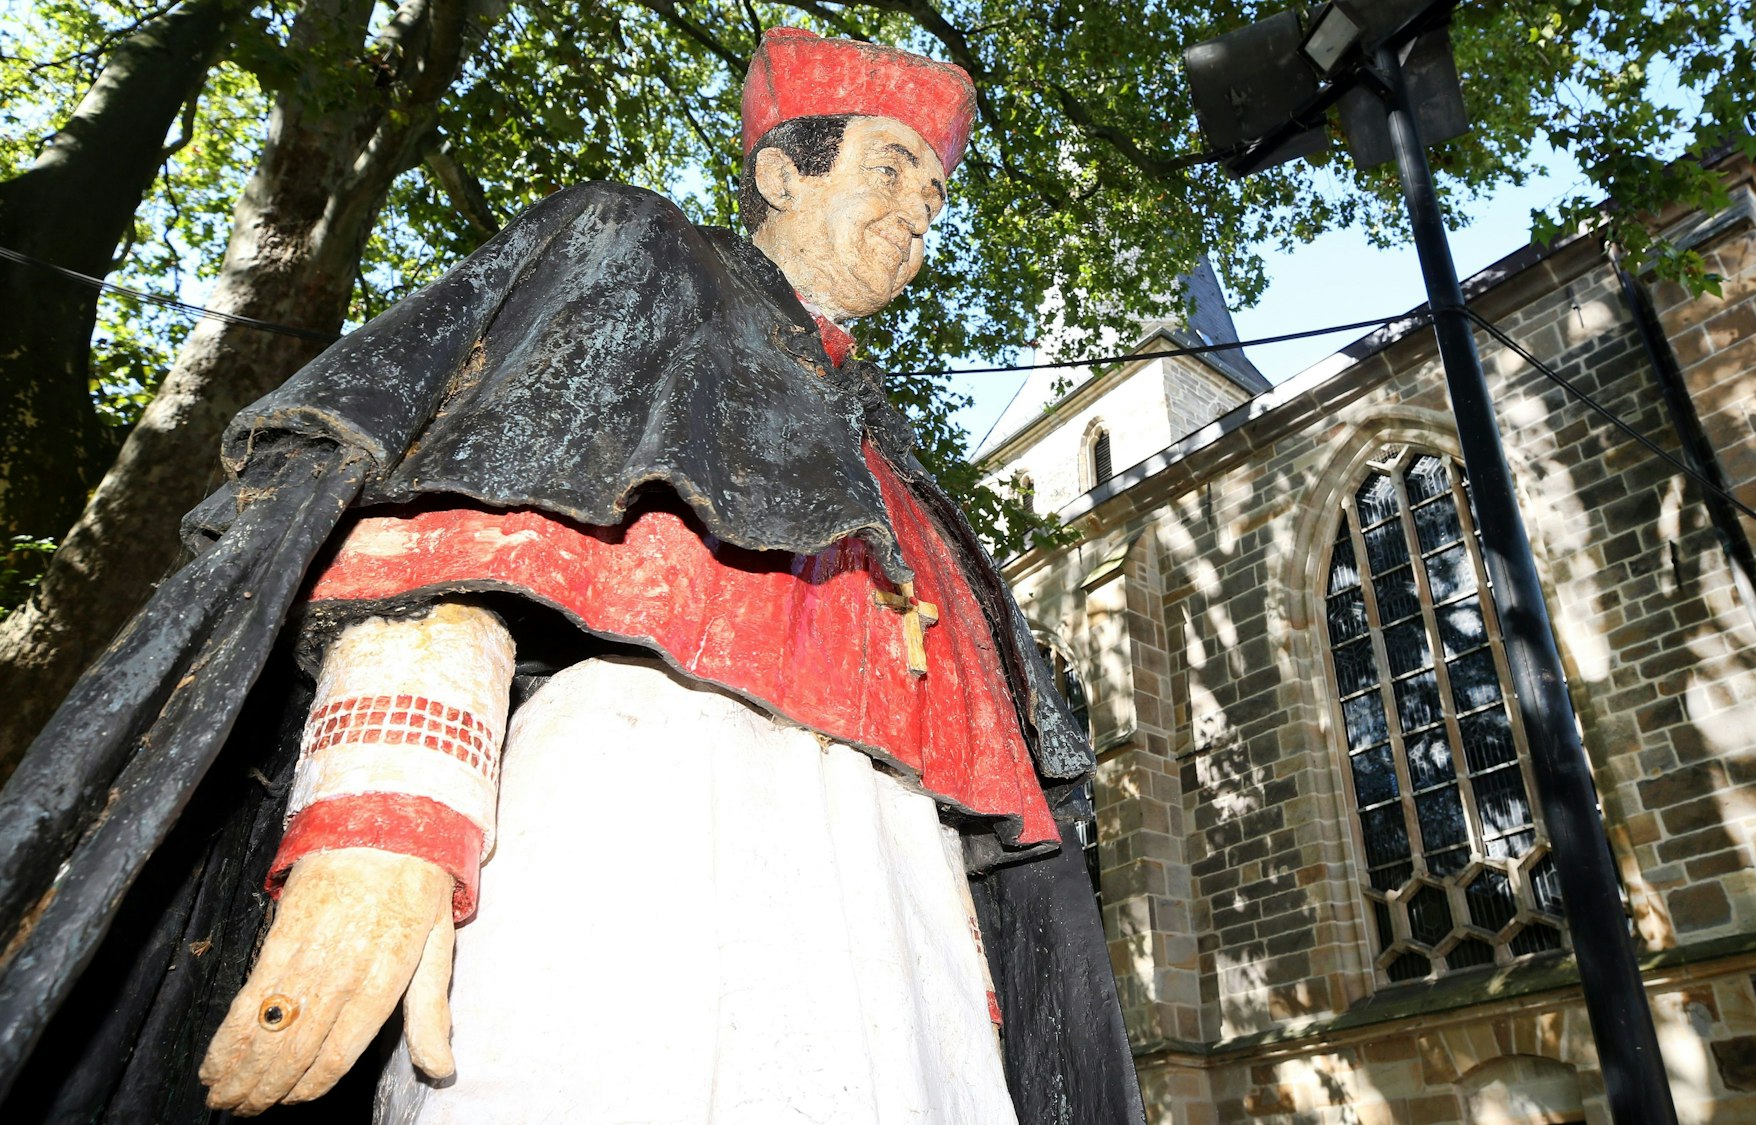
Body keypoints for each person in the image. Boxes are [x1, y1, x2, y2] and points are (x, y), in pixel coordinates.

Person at [0, 29, 1143, 1125]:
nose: (917, 210)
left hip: (893, 897)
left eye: (934, 195)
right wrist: (386, 823)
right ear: (780, 173)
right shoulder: (632, 249)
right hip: (639, 801)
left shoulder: (885, 440)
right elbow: (455, 521)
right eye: (889, 168)